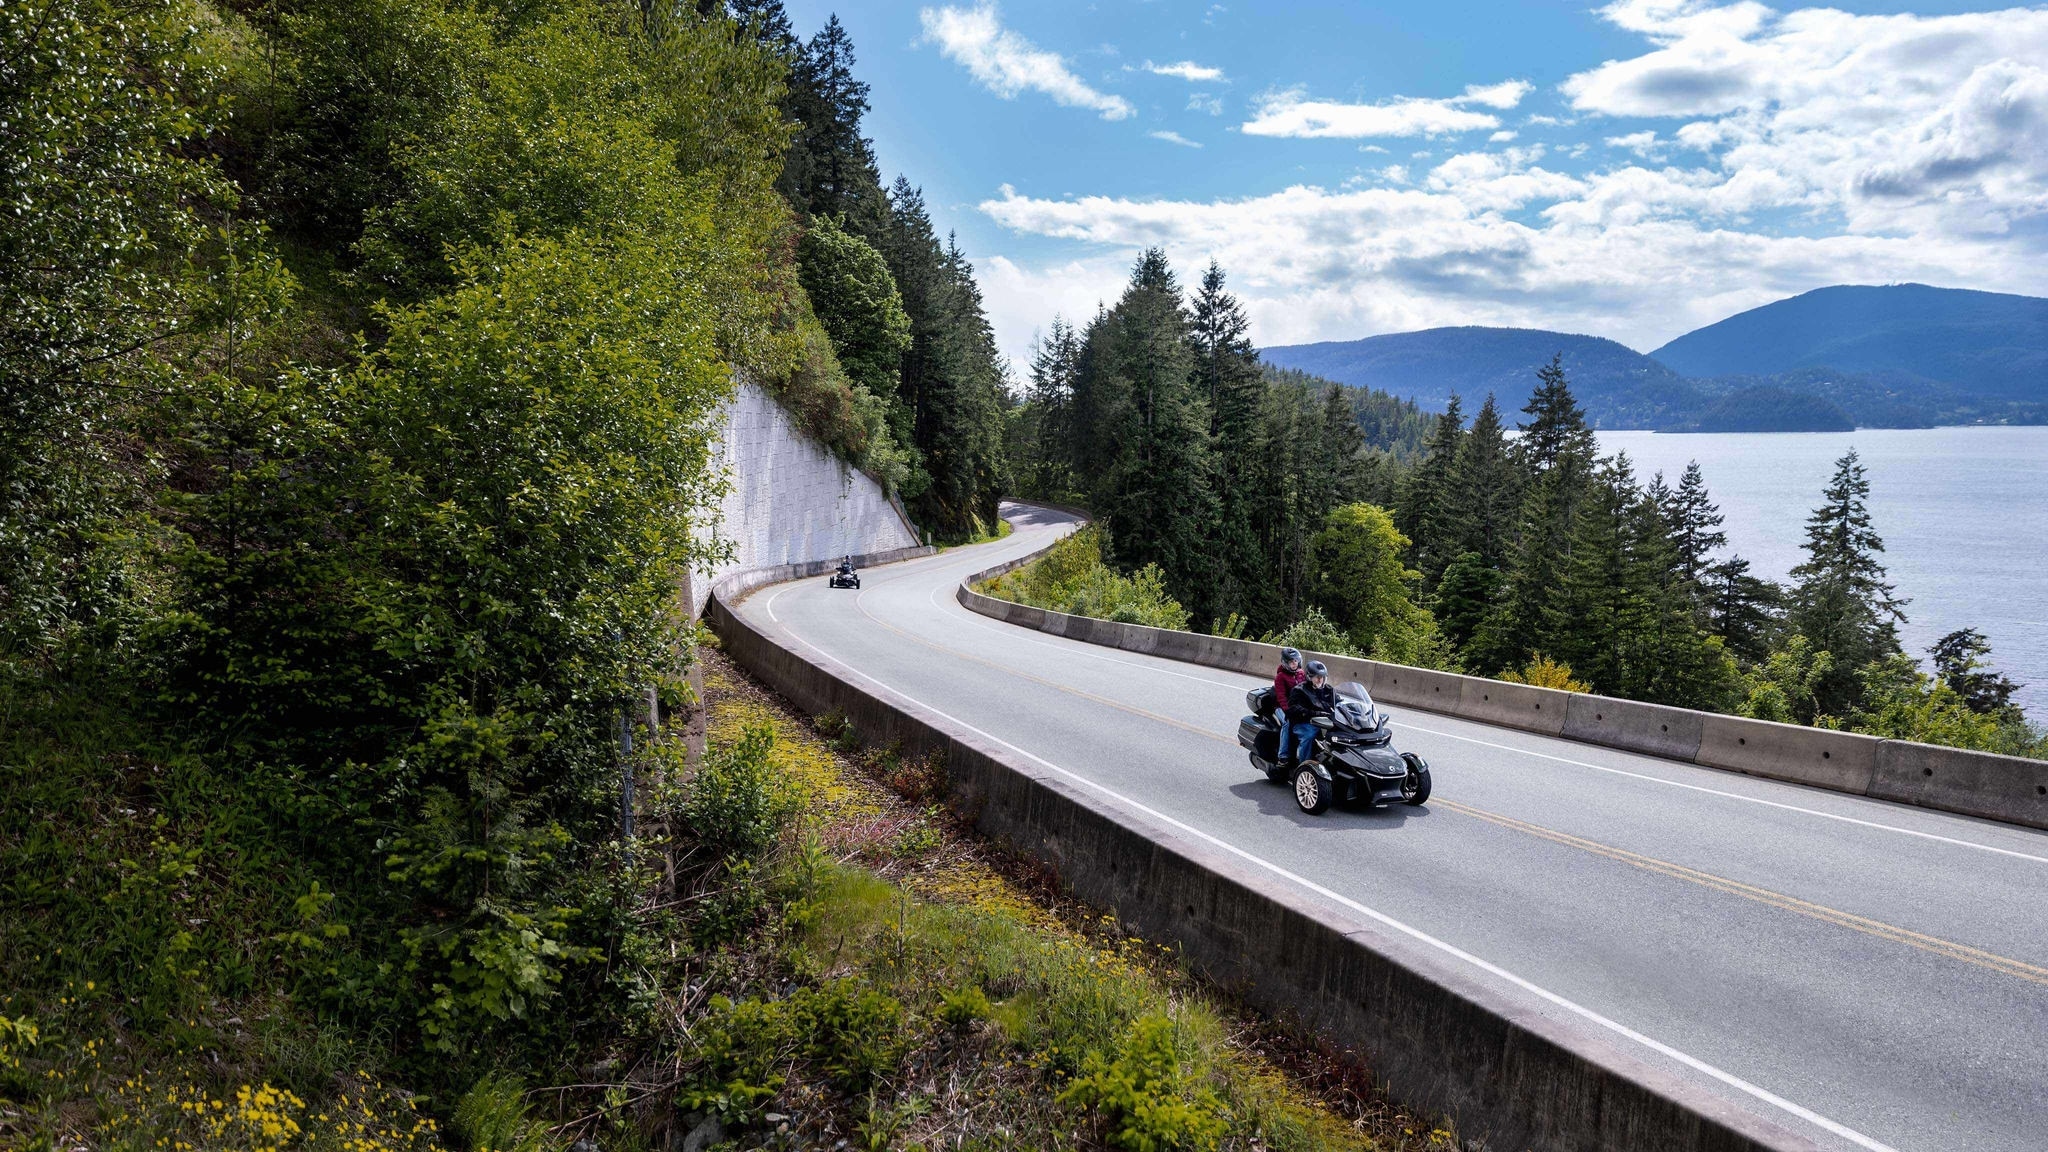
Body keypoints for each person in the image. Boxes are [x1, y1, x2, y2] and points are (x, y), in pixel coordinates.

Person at [1286, 660, 1336, 769]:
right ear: (1309, 677)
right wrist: (1315, 713)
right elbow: (1293, 709)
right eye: (1317, 677)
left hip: (1326, 723)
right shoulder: (1299, 690)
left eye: (1322, 677)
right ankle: (1303, 767)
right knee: (1309, 736)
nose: (1320, 679)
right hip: (1304, 723)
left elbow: (1340, 703)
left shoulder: (1329, 690)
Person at [1273, 647, 1307, 766]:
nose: (1294, 664)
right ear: (1285, 663)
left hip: (1295, 706)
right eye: (1291, 662)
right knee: (1287, 723)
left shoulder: (1301, 673)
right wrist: (1288, 711)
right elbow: (1281, 697)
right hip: (1281, 707)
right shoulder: (1280, 677)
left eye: (1296, 661)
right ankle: (1283, 756)